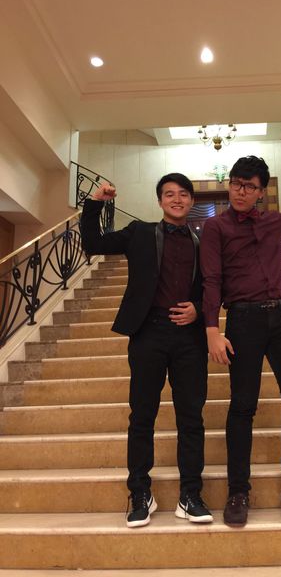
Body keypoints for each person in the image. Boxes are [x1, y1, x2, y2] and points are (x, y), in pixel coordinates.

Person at [200, 155, 281, 527]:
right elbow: (211, 279)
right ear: (229, 185)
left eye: (250, 186)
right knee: (243, 406)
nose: (241, 191)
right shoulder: (215, 227)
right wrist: (212, 329)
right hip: (243, 320)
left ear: (261, 191)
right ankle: (238, 491)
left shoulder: (276, 221)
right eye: (236, 183)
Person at [80, 173, 212, 527]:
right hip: (148, 333)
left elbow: (219, 285)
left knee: (191, 417)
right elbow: (92, 242)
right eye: (169, 194)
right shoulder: (139, 232)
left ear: (191, 201)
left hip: (190, 338)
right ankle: (140, 492)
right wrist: (95, 204)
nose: (177, 199)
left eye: (183, 194)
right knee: (142, 416)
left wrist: (199, 309)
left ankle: (190, 494)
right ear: (160, 201)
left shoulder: (204, 242)